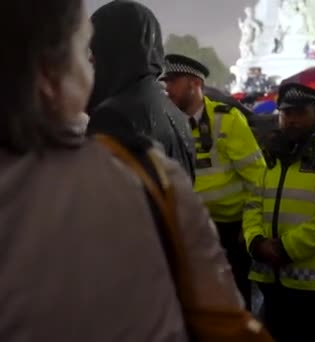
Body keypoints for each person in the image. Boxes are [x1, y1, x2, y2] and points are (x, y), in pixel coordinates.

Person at [0, 0, 255, 340]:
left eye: (91, 52)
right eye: (82, 53)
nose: (90, 67)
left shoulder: (114, 137)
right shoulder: (161, 140)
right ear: (49, 71)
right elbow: (226, 319)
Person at [243, 83, 315, 341]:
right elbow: (253, 204)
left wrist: (284, 248)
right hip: (271, 281)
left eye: (300, 113)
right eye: (287, 113)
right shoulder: (271, 154)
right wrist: (256, 242)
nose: (292, 120)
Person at [161, 53, 267, 308]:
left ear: (195, 83)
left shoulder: (227, 119)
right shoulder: (167, 123)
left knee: (235, 302)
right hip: (190, 229)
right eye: (166, 81)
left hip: (231, 231)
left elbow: (258, 178)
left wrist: (249, 226)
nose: (166, 87)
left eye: (174, 80)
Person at [86, 0, 195, 181]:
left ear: (113, 50)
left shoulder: (113, 116)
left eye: (95, 50)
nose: (91, 60)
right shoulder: (176, 113)